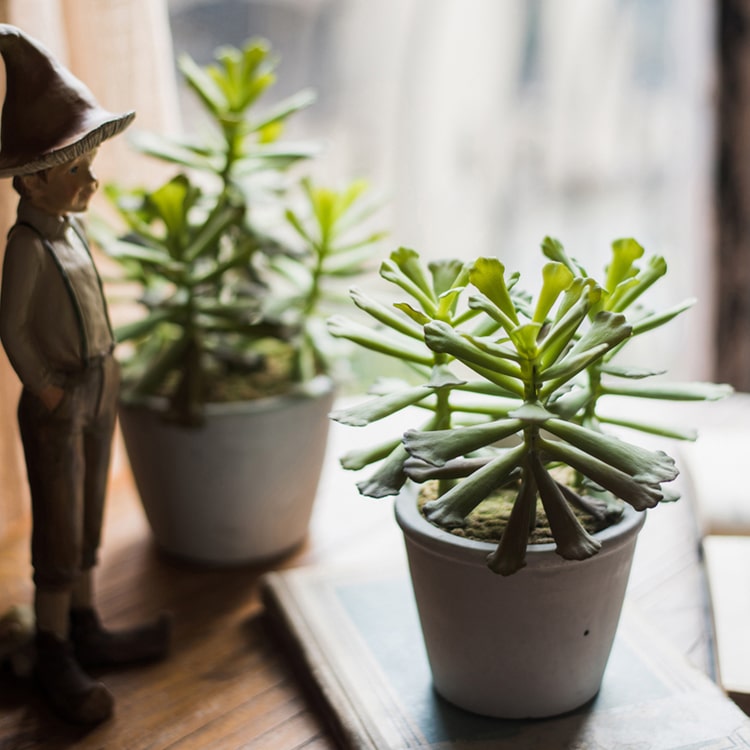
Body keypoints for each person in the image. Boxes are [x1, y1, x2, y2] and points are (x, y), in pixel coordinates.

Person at [0, 25, 169, 726]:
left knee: (93, 513)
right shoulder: (29, 248)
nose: (92, 180)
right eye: (78, 169)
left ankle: (87, 622)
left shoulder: (73, 229)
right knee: (60, 530)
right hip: (60, 396)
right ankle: (52, 645)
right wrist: (45, 386)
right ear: (35, 178)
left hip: (98, 388)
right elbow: (12, 328)